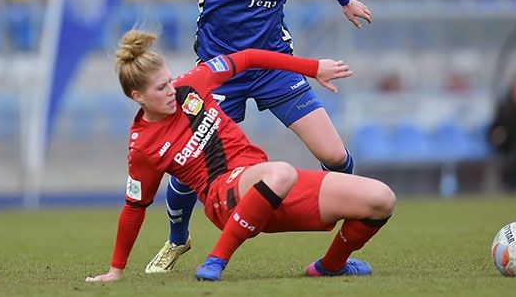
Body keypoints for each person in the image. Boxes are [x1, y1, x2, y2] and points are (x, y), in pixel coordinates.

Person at [130, 0, 373, 273]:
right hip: (221, 71)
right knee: (190, 168)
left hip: (275, 67)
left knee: (334, 155)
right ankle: (176, 239)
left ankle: (340, 249)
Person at [84, 30, 395, 283]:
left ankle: (330, 265)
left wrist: (313, 68)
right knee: (281, 172)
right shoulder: (143, 146)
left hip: (265, 185)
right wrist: (116, 269)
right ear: (137, 97)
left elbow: (249, 57)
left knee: (381, 198)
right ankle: (216, 259)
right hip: (224, 198)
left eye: (169, 80)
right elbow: (134, 207)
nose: (171, 90)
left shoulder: (192, 84)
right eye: (160, 88)